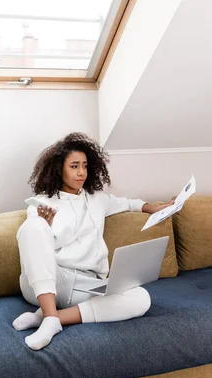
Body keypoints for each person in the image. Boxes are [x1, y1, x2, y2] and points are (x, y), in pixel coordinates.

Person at [13, 132, 173, 350]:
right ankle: (49, 314)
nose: (81, 173)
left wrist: (152, 207)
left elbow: (127, 203)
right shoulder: (41, 203)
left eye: (85, 166)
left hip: (85, 285)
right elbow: (35, 244)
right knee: (33, 227)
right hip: (48, 282)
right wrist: (45, 225)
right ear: (59, 168)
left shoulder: (97, 200)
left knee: (141, 298)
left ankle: (51, 318)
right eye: (74, 166)